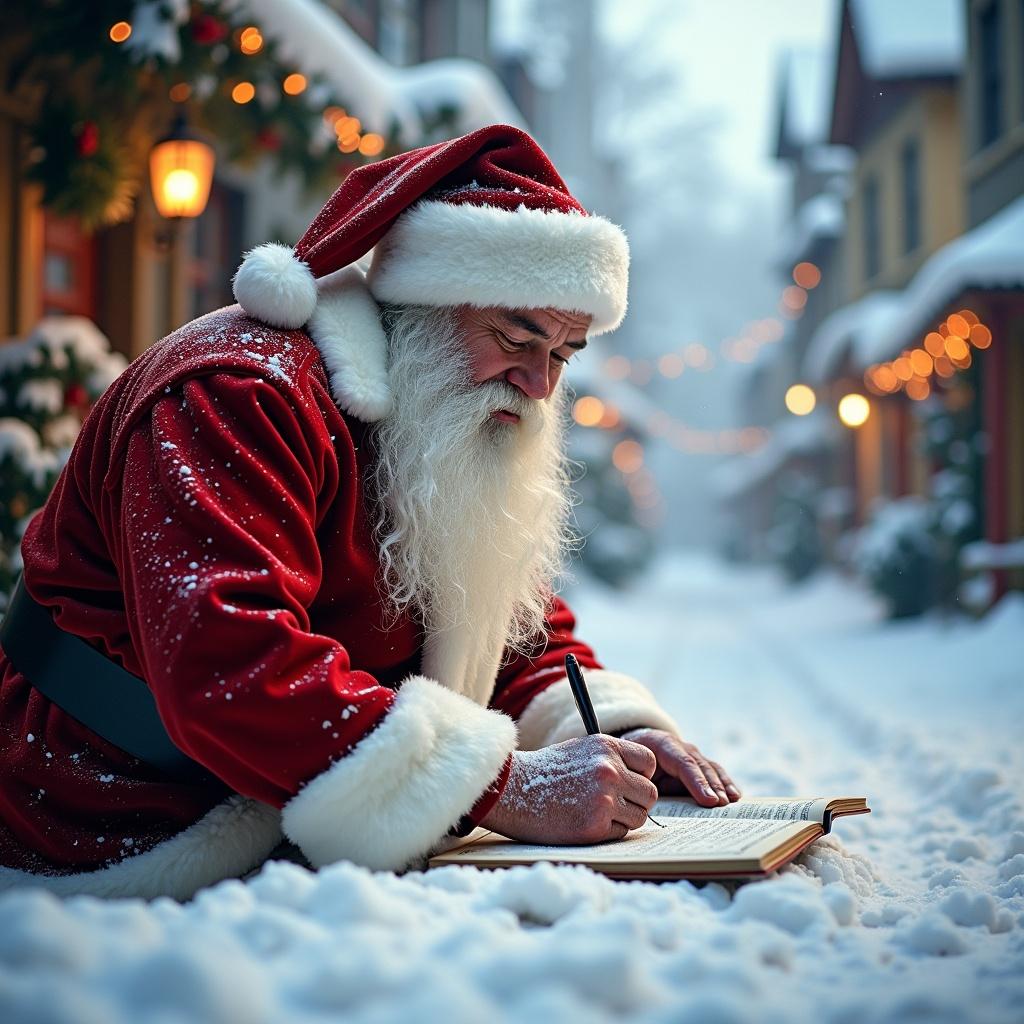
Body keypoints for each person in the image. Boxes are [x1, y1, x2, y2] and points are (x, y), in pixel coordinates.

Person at [0, 125, 738, 899]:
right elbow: (229, 658)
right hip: (118, 822)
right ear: (422, 305)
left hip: (284, 813)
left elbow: (501, 626)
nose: (539, 383)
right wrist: (503, 787)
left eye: (561, 353)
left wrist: (614, 734)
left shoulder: (428, 415)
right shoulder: (238, 394)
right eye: (516, 336)